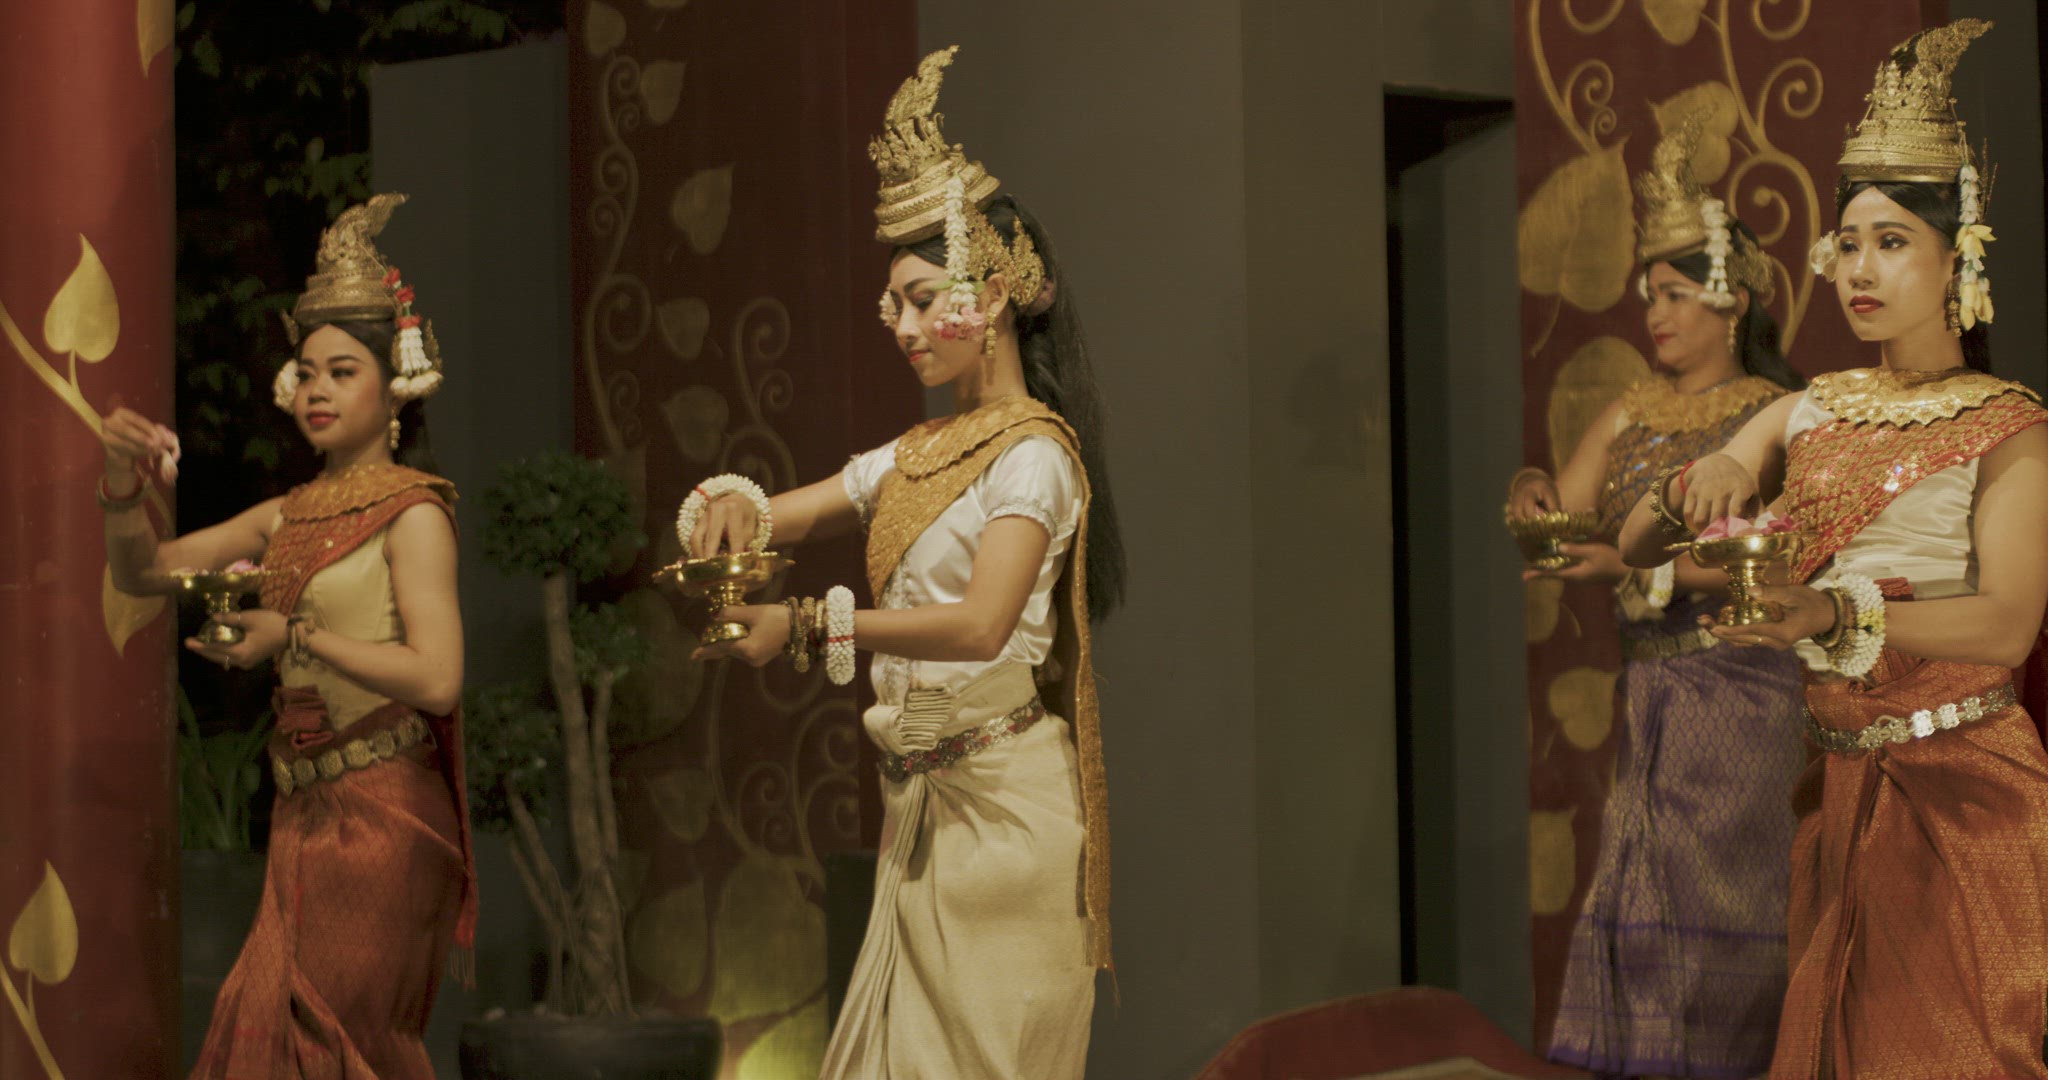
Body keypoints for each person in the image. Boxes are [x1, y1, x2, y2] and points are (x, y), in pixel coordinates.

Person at [680, 47, 1125, 1079]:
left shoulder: (1034, 457)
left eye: (927, 301)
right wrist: (728, 509)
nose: (906, 328)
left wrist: (806, 625)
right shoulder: (918, 451)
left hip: (1004, 827)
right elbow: (787, 514)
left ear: (996, 293)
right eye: (895, 306)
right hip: (919, 807)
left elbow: (979, 625)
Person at [1617, 21, 2048, 1077]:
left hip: (1962, 795)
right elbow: (1636, 544)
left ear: (1958, 256)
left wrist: (1832, 613)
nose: (1859, 269)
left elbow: (2006, 627)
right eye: (1847, 244)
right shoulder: (1809, 409)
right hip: (1838, 786)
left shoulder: (2008, 425)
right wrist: (1703, 478)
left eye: (1891, 242)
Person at [104, 194, 475, 1077]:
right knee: (269, 1037)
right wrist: (120, 485)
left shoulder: (415, 514)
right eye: (307, 373)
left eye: (342, 371)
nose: (317, 391)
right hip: (303, 813)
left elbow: (438, 679)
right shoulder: (286, 514)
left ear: (395, 384)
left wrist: (295, 638)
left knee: (339, 1043)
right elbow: (144, 572)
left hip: (386, 818)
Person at [1514, 112, 1807, 1079]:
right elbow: (1572, 512)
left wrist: (1636, 568)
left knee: (1726, 915)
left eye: (1678, 295)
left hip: (1743, 693)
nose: (1657, 316)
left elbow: (1787, 561)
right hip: (1652, 695)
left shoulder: (1772, 416)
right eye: (1652, 296)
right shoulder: (1631, 409)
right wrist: (1533, 496)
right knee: (1646, 917)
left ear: (1731, 300)